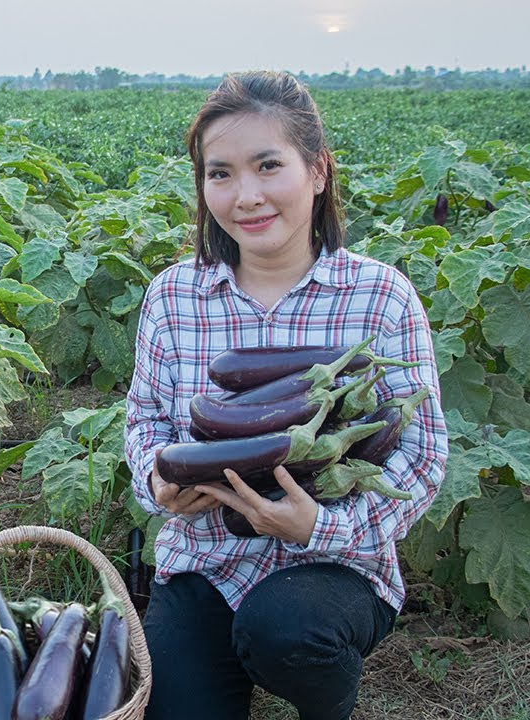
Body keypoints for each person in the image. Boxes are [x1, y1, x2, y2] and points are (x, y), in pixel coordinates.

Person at [124, 70, 449, 720]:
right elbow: (146, 425)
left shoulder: (382, 299)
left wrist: (320, 526)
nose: (246, 195)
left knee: (286, 631)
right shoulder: (172, 297)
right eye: (221, 173)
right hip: (206, 560)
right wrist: (158, 482)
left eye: (268, 165)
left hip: (337, 569)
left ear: (318, 171)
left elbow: (422, 461)